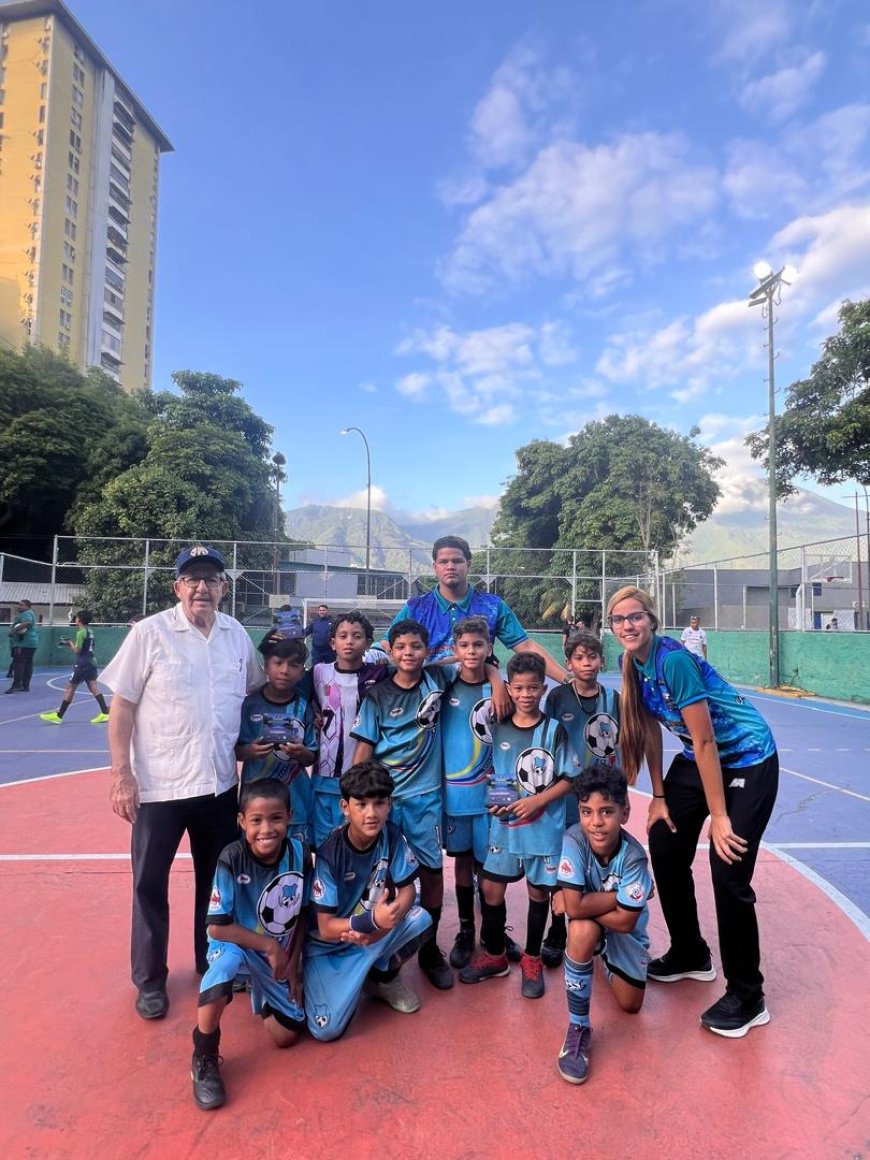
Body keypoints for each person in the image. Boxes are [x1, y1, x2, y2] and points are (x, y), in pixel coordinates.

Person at [608, 585, 779, 1038]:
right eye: (619, 620)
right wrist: (659, 796)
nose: (628, 625)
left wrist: (719, 817)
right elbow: (649, 731)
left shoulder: (674, 660)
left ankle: (748, 994)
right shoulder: (632, 664)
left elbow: (705, 741)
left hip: (746, 757)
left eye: (635, 617)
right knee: (664, 843)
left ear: (652, 620)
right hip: (696, 758)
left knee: (728, 868)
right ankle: (690, 952)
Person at [101, 545, 263, 1021]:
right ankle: (150, 979)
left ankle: (209, 959)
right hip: (159, 788)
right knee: (149, 883)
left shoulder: (236, 636)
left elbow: (255, 693)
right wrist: (120, 775)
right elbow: (123, 706)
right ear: (176, 587)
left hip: (217, 786)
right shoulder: (150, 634)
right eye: (191, 579)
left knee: (217, 885)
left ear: (223, 588)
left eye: (211, 579)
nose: (201, 587)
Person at [351, 618, 462, 990]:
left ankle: (430, 950)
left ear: (427, 651)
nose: (408, 653)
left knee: (431, 872)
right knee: (382, 876)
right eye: (400, 647)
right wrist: (352, 797)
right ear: (390, 652)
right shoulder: (378, 696)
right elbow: (364, 749)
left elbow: (476, 660)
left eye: (416, 646)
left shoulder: (438, 680)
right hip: (384, 802)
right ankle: (381, 951)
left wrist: (495, 680)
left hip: (425, 799)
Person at [459, 652, 572, 1000]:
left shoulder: (554, 730)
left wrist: (537, 801)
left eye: (533, 688)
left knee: (539, 892)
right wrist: (495, 798)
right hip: (505, 826)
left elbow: (569, 778)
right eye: (519, 688)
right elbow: (495, 769)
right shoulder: (499, 725)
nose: (526, 694)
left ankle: (532, 958)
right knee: (491, 888)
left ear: (543, 688)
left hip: (542, 827)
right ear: (509, 687)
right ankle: (494, 955)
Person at [190, 779, 309, 1111]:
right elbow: (218, 925)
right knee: (223, 968)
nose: (266, 828)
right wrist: (270, 947)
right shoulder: (232, 857)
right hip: (236, 942)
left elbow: (303, 914)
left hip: (276, 954)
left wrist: (294, 965)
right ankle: (204, 1052)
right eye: (256, 820)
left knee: (287, 1036)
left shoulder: (300, 854)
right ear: (242, 821)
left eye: (276, 818)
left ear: (289, 816)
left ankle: (263, 993)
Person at [303, 760, 432, 1041]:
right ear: (345, 807)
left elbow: (408, 889)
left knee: (421, 919)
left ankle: (381, 979)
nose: (371, 813)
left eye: (379, 803)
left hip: (371, 936)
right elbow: (325, 928)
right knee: (326, 1030)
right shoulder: (329, 853)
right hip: (331, 947)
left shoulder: (393, 837)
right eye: (361, 804)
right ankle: (346, 977)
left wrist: (381, 929)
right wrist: (373, 921)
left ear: (389, 805)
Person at [553, 764, 653, 1085]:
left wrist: (581, 903)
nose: (596, 822)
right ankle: (578, 1027)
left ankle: (603, 956)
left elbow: (624, 922)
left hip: (624, 934)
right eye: (587, 811)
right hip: (598, 921)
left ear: (624, 813)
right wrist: (622, 897)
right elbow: (576, 908)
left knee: (630, 1006)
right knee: (581, 929)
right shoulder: (574, 839)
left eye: (606, 811)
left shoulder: (635, 857)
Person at [382, 536, 567, 685]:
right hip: (426, 693)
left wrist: (567, 679)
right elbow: (387, 643)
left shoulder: (492, 606)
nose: (450, 566)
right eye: (443, 561)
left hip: (476, 694)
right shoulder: (416, 607)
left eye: (457, 561)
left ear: (468, 564)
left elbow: (526, 647)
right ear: (435, 567)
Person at [541, 628, 622, 968]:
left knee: (599, 861)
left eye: (592, 656)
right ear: (568, 663)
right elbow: (546, 743)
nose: (586, 663)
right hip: (566, 794)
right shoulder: (558, 698)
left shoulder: (613, 699)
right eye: (579, 657)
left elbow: (622, 744)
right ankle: (557, 929)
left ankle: (597, 929)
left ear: (602, 661)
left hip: (601, 797)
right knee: (563, 862)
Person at [441, 616, 495, 970]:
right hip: (455, 794)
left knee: (490, 868)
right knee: (461, 862)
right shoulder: (442, 684)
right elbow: (425, 662)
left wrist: (495, 676)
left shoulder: (499, 690)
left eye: (478, 645)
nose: (471, 651)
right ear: (455, 649)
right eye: (464, 645)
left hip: (492, 796)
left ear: (489, 648)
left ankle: (493, 934)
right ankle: (465, 930)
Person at [310, 610, 389, 848]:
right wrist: (310, 715)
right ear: (332, 643)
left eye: (357, 636)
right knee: (325, 844)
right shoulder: (318, 673)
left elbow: (419, 668)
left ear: (367, 643)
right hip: (326, 775)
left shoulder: (381, 673)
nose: (349, 641)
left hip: (364, 776)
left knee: (361, 843)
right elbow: (298, 699)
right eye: (343, 636)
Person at [236, 636, 317, 847]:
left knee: (298, 860)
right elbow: (236, 751)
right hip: (256, 803)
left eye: (293, 665)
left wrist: (300, 753)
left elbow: (311, 756)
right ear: (265, 666)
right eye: (278, 663)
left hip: (296, 803)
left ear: (302, 671)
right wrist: (250, 751)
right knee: (257, 861)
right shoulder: (248, 705)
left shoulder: (303, 707)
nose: (284, 670)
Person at [39, 610, 110, 723]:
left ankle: (58, 716)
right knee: (94, 687)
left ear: (80, 620)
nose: (75, 619)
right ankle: (105, 713)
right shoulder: (90, 631)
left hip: (82, 663)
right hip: (91, 662)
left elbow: (77, 650)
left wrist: (69, 644)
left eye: (76, 618)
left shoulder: (81, 632)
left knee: (70, 688)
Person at [5, 597, 39, 693]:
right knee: (28, 664)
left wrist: (14, 630)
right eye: (18, 604)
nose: (18, 606)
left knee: (19, 664)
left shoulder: (27, 613)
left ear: (27, 606)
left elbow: (27, 623)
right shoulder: (30, 613)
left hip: (24, 643)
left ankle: (17, 685)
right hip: (32, 643)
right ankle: (25, 685)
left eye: (21, 605)